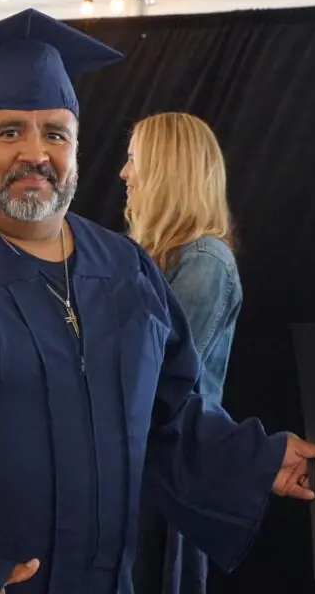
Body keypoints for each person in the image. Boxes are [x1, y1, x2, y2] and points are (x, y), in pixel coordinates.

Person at [0, 8, 315, 594]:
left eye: (55, 133)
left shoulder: (127, 270)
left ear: (76, 148)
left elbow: (171, 415)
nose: (35, 153)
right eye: (9, 131)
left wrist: (257, 460)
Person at [122, 113, 242, 594]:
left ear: (168, 169)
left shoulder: (205, 262)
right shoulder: (151, 259)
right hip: (141, 470)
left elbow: (157, 383)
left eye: (134, 160)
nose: (124, 174)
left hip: (171, 473)